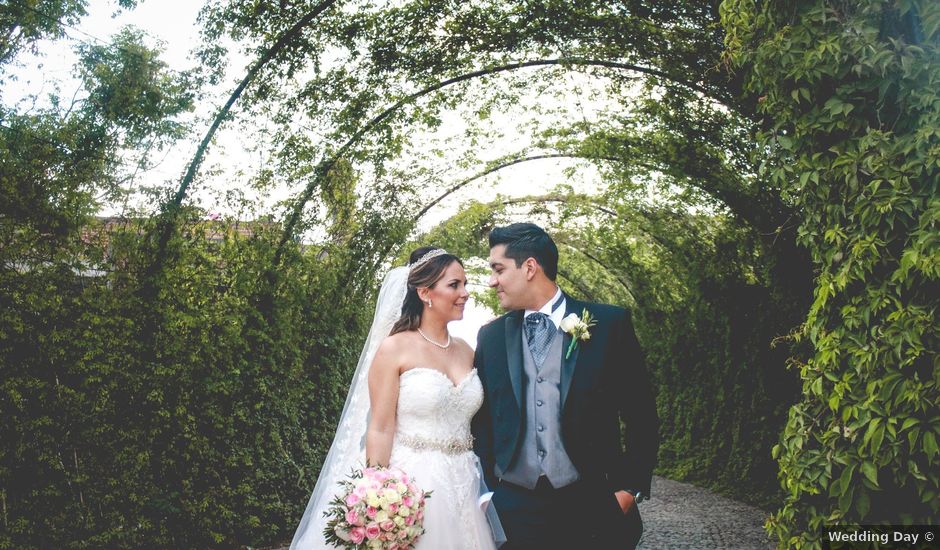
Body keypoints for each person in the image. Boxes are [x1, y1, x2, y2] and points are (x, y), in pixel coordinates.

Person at [290, 247, 499, 550]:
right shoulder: (395, 348)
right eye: (454, 285)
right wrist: (375, 497)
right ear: (425, 292)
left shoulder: (468, 350)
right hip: (412, 483)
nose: (465, 293)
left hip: (466, 481)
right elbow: (380, 427)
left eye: (465, 284)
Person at [471, 223, 659, 549]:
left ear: (530, 267)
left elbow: (641, 412)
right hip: (514, 508)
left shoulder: (609, 324)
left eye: (498, 269)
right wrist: (488, 495)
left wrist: (630, 489)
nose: (492, 281)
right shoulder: (491, 338)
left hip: (592, 501)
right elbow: (482, 421)